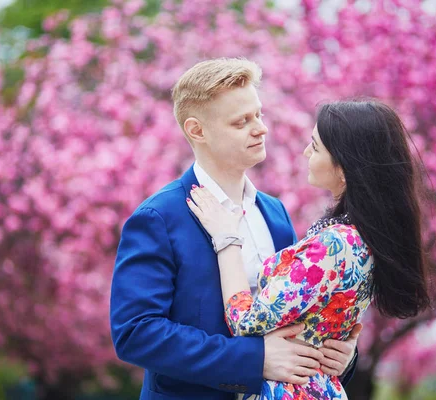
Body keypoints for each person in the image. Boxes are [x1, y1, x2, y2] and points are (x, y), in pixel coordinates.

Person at [110, 58, 361, 400]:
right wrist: (253, 360)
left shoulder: (275, 214)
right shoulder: (157, 218)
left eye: (258, 114)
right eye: (242, 121)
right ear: (197, 130)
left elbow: (296, 316)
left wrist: (339, 354)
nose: (261, 128)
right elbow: (136, 333)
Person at [186, 99, 432, 399]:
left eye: (315, 147)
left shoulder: (334, 245)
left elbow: (246, 321)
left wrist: (226, 238)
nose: (305, 152)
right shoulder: (365, 237)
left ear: (343, 169)